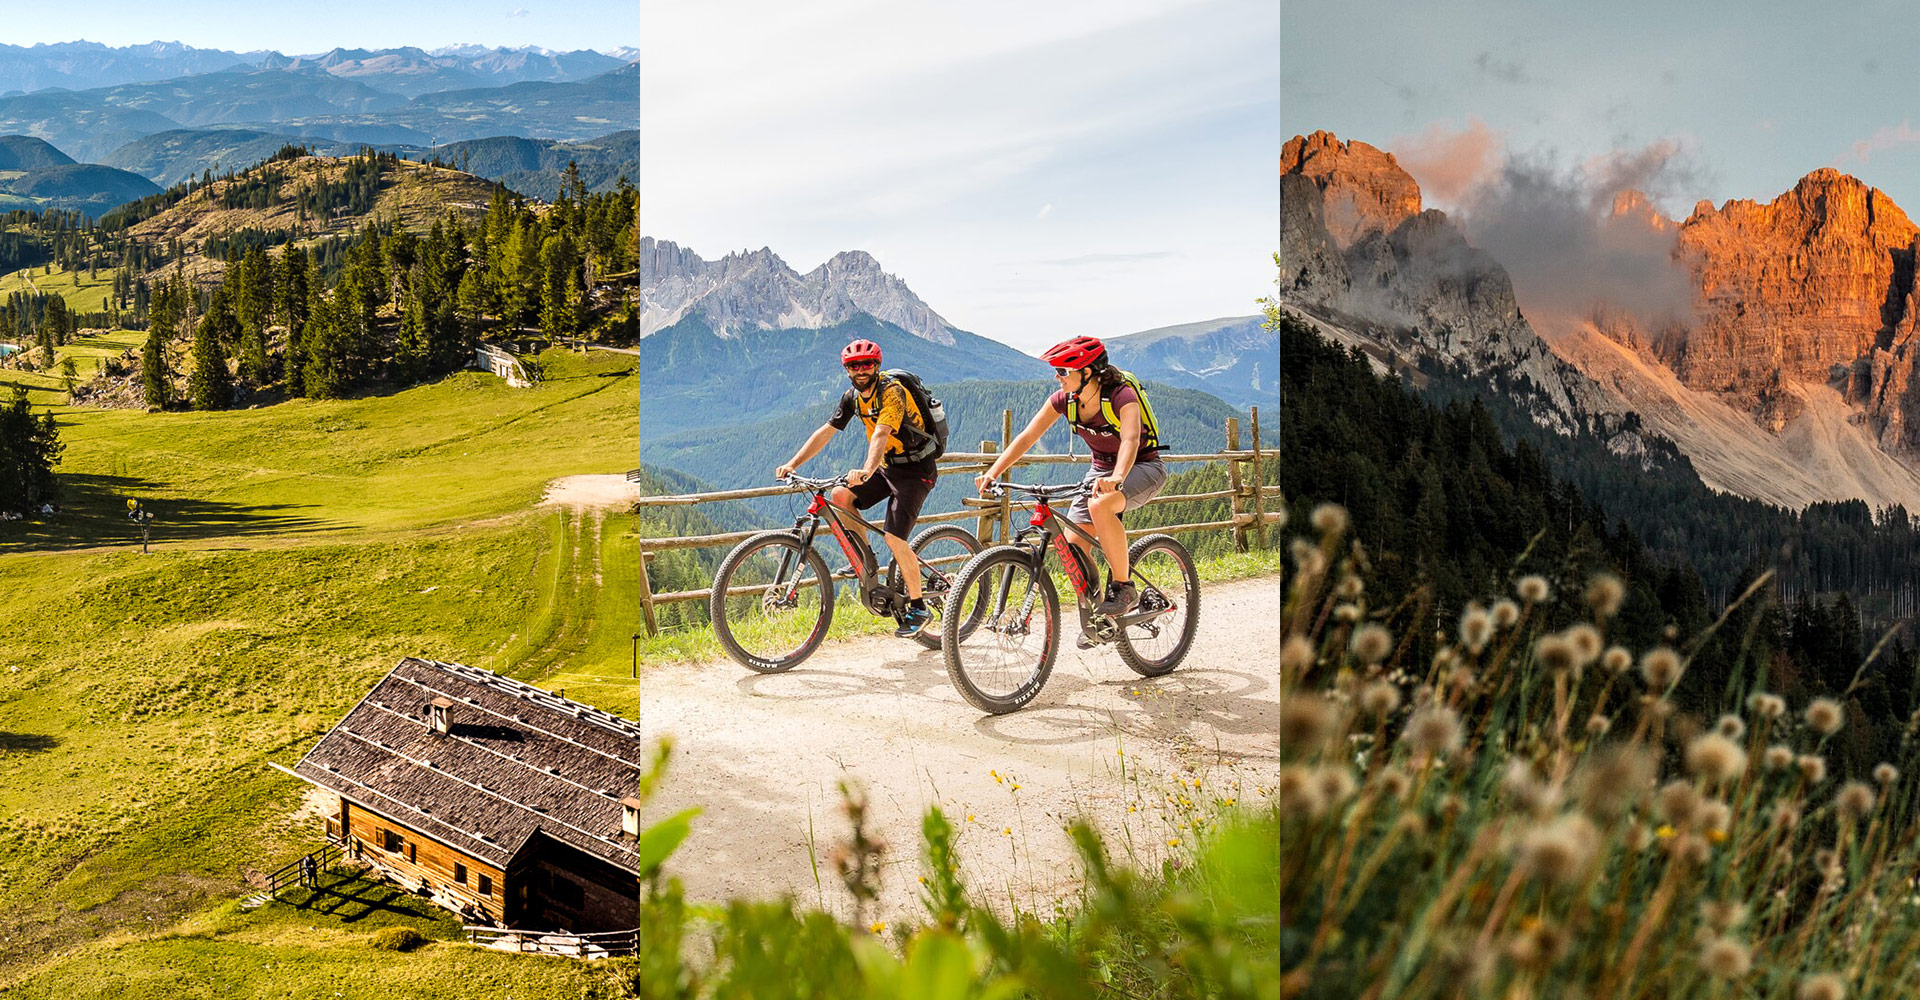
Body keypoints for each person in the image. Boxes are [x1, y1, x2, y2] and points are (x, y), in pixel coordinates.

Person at [975, 336, 1167, 628]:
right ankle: (1098, 617)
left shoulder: (1120, 395)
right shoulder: (1065, 401)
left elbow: (1131, 439)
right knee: (1074, 544)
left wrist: (1117, 477)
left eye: (1064, 371)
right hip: (1100, 471)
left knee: (1101, 506)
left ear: (1087, 372)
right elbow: (1027, 437)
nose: (1057, 377)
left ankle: (1124, 586)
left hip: (1142, 467)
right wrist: (994, 471)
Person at [776, 339, 939, 637]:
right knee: (841, 496)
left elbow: (881, 434)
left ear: (877, 366)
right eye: (854, 366)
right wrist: (793, 463)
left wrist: (867, 470)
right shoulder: (852, 397)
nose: (861, 370)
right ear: (846, 370)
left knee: (895, 538)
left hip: (916, 470)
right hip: (889, 465)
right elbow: (826, 431)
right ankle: (866, 561)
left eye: (866, 364)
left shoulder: (892, 391)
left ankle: (918, 607)